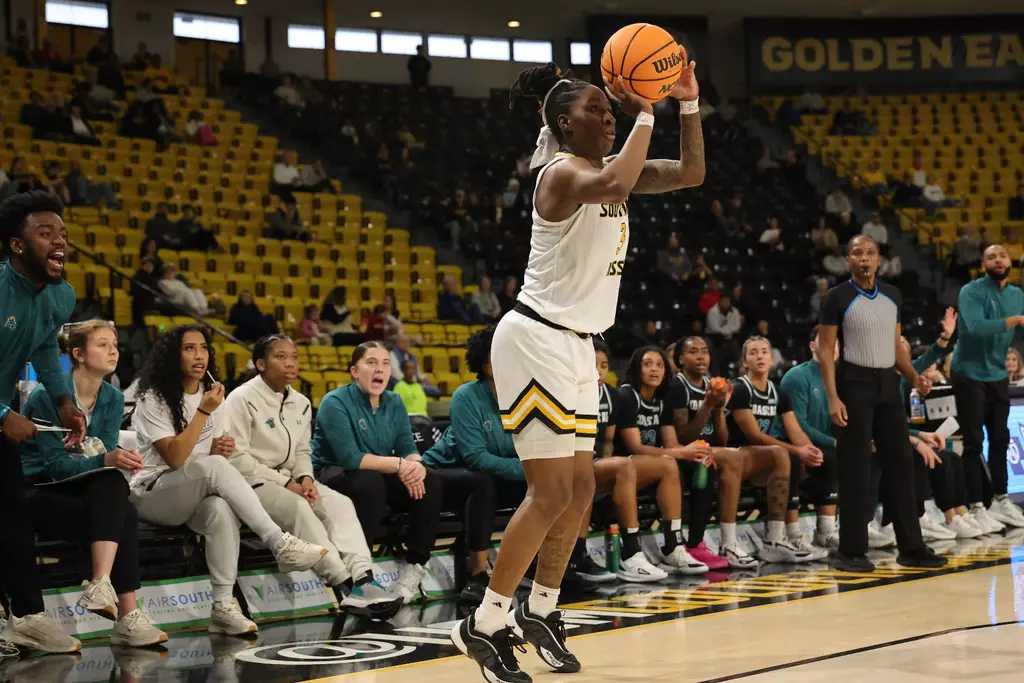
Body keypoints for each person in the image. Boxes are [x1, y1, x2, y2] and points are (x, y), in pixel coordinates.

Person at [453, 52, 705, 683]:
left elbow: (693, 172)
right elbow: (619, 184)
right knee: (549, 493)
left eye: (608, 105)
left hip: (576, 346)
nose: (608, 115)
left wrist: (688, 103)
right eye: (596, 107)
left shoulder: (609, 170)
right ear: (564, 125)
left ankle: (541, 607)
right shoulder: (560, 175)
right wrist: (648, 107)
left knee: (582, 489)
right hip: (534, 338)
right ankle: (483, 621)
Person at [130, 325, 329, 636]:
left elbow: (208, 460)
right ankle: (279, 541)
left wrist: (219, 449)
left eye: (204, 348)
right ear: (172, 355)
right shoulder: (153, 398)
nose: (199, 355)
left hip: (193, 489)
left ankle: (223, 606)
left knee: (221, 512)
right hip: (154, 492)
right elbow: (174, 458)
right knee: (212, 468)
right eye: (189, 348)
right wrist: (203, 414)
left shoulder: (213, 396)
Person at [221, 335, 402, 619]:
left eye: (293, 356)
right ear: (260, 364)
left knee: (340, 503)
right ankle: (344, 584)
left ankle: (364, 577)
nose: (290, 363)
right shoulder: (241, 399)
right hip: (250, 482)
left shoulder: (301, 402)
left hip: (293, 480)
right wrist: (287, 484)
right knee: (298, 508)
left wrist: (305, 477)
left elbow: (303, 450)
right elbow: (237, 459)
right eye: (281, 357)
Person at [21, 320, 168, 647]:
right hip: (39, 489)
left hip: (86, 490)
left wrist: (111, 460)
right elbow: (56, 467)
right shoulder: (47, 397)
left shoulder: (113, 397)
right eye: (102, 344)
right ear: (78, 354)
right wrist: (107, 460)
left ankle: (103, 585)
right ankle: (125, 614)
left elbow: (99, 452)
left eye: (114, 343)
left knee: (118, 497)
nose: (113, 349)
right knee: (120, 506)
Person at [818, 235, 947, 572]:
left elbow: (896, 346)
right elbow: (825, 352)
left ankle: (912, 547)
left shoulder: (893, 295)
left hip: (888, 383)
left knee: (902, 465)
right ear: (847, 259)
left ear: (879, 260)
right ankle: (851, 550)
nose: (864, 258)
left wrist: (913, 376)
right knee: (856, 467)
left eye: (871, 253)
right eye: (857, 252)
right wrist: (833, 396)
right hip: (853, 383)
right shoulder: (836, 298)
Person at [0, 191, 86, 653]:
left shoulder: (59, 295)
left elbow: (41, 352)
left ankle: (28, 618)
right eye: (45, 233)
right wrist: (2, 415)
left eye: (63, 234)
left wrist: (64, 401)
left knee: (13, 515)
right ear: (17, 245)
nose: (60, 242)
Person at [312, 341, 443, 604]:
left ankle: (414, 566)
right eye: (371, 362)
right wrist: (399, 466)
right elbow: (351, 458)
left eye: (384, 363)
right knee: (369, 484)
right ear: (354, 371)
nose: (379, 369)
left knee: (431, 479)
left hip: (378, 472)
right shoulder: (334, 401)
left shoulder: (394, 401)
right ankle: (361, 572)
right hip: (333, 474)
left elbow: (407, 447)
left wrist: (415, 467)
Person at [422, 326, 529, 604]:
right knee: (483, 481)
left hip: (495, 472)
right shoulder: (466, 396)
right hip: (442, 473)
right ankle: (478, 575)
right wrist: (527, 469)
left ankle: (536, 567)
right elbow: (476, 458)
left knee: (544, 488)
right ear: (484, 363)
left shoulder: (524, 396)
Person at [605, 346, 712, 579]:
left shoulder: (661, 400)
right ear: (636, 368)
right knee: (668, 462)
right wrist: (680, 453)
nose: (654, 369)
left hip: (645, 466)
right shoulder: (626, 395)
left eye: (659, 365)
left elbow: (671, 444)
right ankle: (631, 552)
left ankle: (674, 546)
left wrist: (690, 451)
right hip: (621, 464)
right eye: (648, 364)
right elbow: (634, 446)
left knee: (674, 463)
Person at [726, 337, 825, 561]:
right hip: (739, 454)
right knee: (789, 456)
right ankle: (777, 537)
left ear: (772, 358)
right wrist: (796, 451)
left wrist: (809, 449)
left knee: (812, 458)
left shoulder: (778, 391)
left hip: (767, 455)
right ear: (745, 362)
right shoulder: (741, 389)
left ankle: (800, 534)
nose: (760, 356)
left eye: (764, 352)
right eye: (753, 353)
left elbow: (794, 429)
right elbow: (754, 435)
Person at [950, 244, 1024, 530]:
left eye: (1002, 255)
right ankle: (976, 505)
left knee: (1001, 438)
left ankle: (1001, 499)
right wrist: (1015, 320)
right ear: (984, 264)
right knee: (972, 442)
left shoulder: (1017, 294)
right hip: (968, 373)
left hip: (997, 374)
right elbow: (976, 326)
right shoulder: (972, 291)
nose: (998, 260)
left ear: (1010, 261)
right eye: (991, 257)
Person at [664, 337, 729, 570]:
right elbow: (683, 437)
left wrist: (719, 407)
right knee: (702, 464)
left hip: (708, 449)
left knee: (726, 459)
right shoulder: (677, 386)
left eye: (705, 351)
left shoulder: (712, 384)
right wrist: (708, 405)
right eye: (693, 352)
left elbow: (722, 438)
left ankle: (728, 541)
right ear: (680, 359)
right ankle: (693, 543)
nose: (701, 356)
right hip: (682, 452)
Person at [774, 326, 841, 550]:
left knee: (866, 456)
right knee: (831, 456)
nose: (831, 347)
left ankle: (861, 523)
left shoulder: (842, 378)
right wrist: (833, 443)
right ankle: (803, 532)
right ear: (813, 346)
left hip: (823, 447)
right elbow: (799, 424)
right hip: (791, 444)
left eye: (835, 343)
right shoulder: (796, 377)